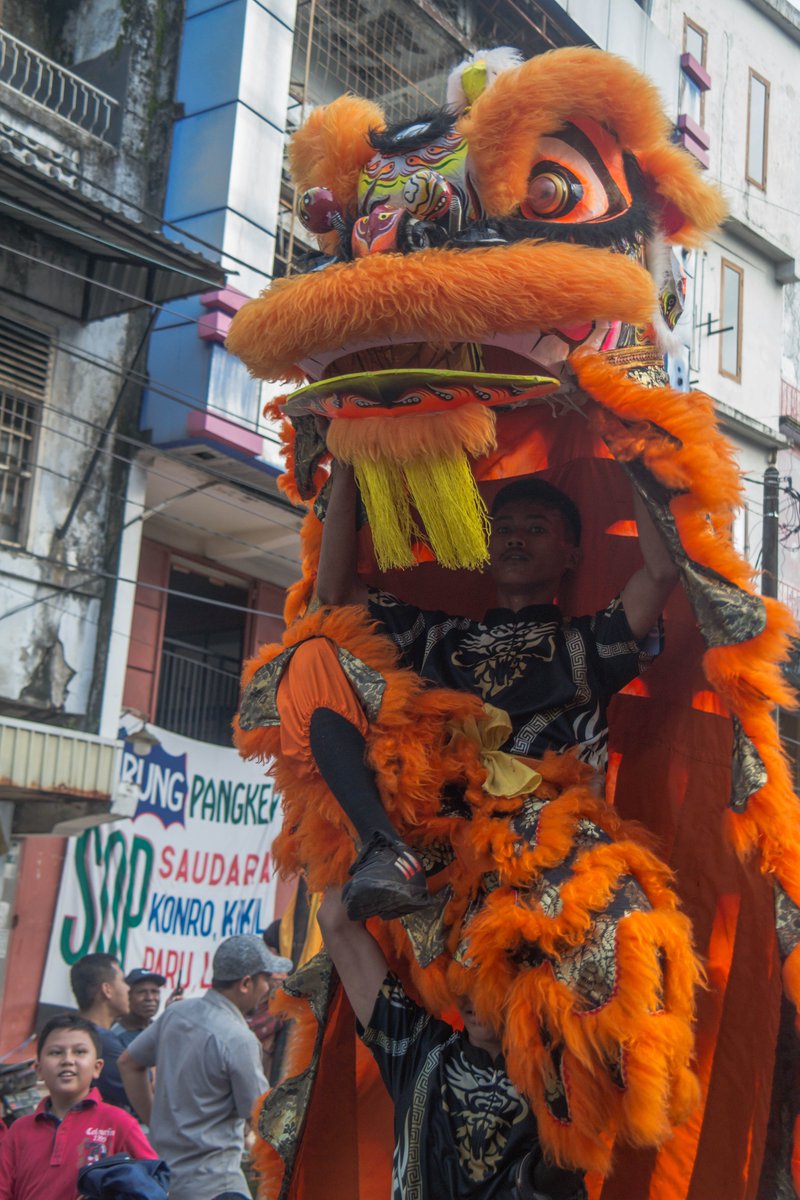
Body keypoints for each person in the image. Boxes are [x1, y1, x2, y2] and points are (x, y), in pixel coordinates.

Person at [275, 464, 678, 920]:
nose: (516, 538)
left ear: (572, 556)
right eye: (502, 528)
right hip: (439, 832)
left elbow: (661, 574)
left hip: (546, 840)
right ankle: (380, 849)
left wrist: (633, 452)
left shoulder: (589, 641)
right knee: (336, 916)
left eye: (536, 528)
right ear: (487, 548)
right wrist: (347, 462)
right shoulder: (436, 638)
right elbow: (334, 592)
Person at [317, 886, 586, 1200]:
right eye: (462, 978)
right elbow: (335, 921)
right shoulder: (416, 1047)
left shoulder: (562, 1075)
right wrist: (361, 839)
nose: (471, 998)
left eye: (488, 979)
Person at [118, 935, 292, 1200]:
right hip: (215, 1184)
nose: (268, 988)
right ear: (246, 983)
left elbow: (128, 1063)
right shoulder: (239, 1038)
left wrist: (156, 1121)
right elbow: (260, 1117)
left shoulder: (177, 1013)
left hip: (163, 1180)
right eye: (265, 979)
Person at [0, 1014, 157, 1200]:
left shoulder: (119, 1123)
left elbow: (154, 1185)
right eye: (56, 1052)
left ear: (97, 1067)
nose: (68, 1060)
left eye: (79, 1052)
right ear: (39, 1069)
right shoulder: (19, 1131)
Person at [70, 953, 131, 1110]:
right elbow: (144, 1088)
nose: (128, 988)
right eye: (123, 981)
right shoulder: (102, 1040)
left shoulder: (69, 1031)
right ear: (107, 990)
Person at [111, 969, 168, 1048]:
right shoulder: (115, 1036)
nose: (150, 998)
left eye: (154, 992)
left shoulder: (159, 1029)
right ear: (127, 996)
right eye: (141, 992)